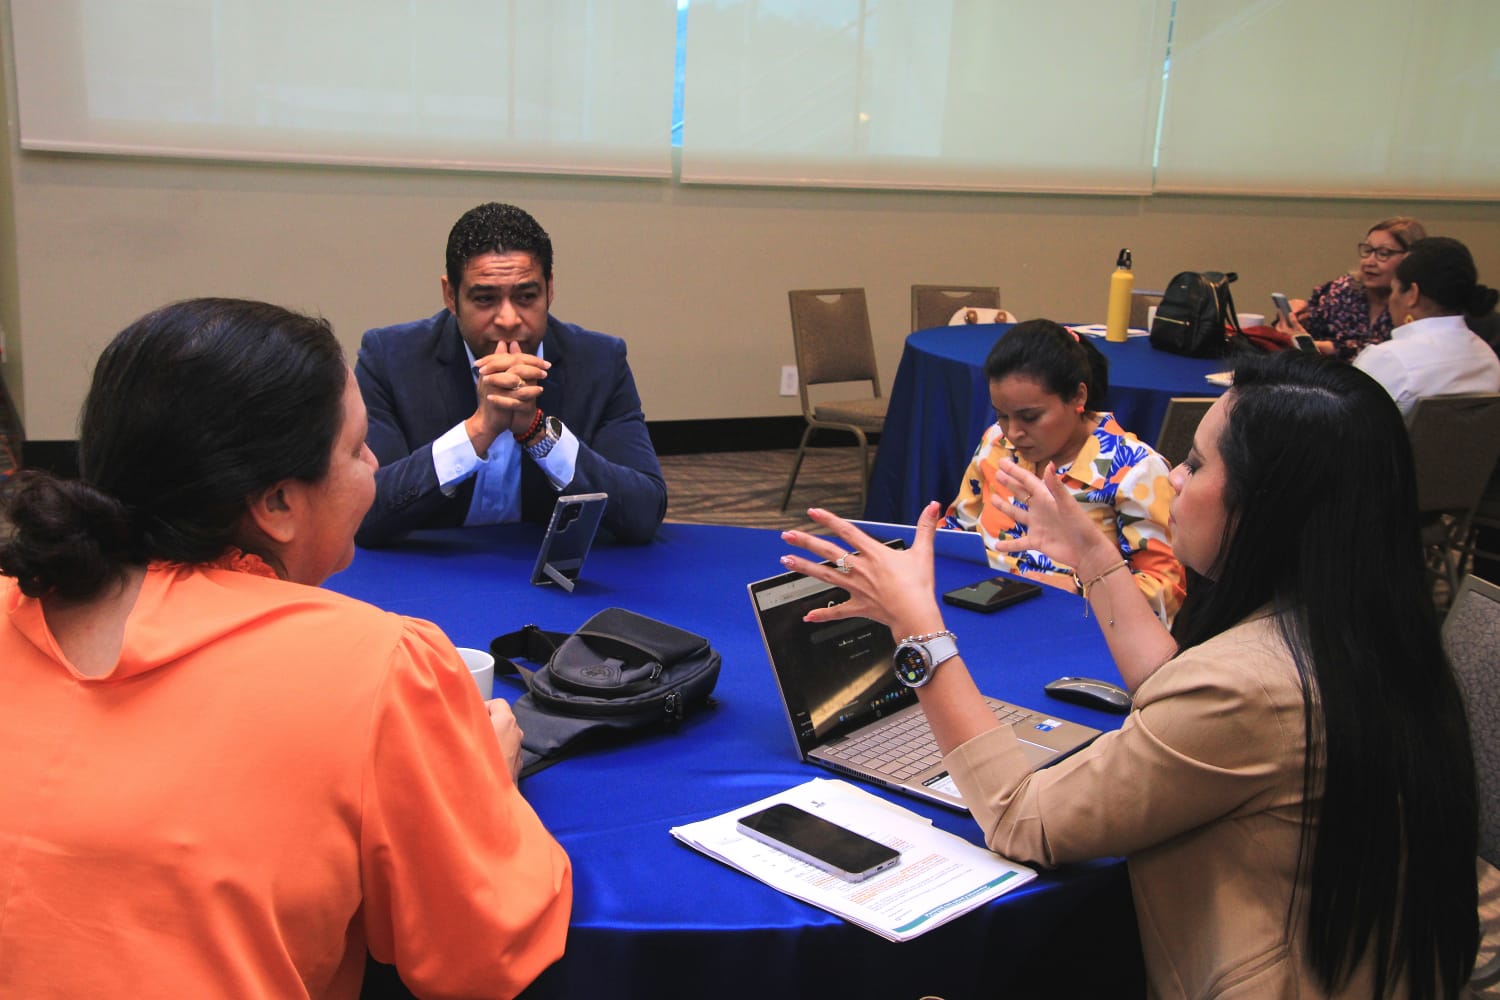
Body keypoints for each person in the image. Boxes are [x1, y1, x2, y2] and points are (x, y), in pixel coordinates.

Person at [780, 351, 1492, 998]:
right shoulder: (1358, 628)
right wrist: (1094, 558)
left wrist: (920, 633)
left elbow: (1022, 820)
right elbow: (1181, 689)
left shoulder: (1250, 688)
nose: (1174, 479)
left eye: (1198, 466)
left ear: (1267, 507)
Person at [0, 299, 572, 998]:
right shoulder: (374, 664)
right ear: (276, 504)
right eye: (357, 449)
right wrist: (489, 787)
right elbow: (481, 955)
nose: (375, 464)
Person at [355, 201, 666, 547]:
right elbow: (364, 513)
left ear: (550, 289)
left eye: (526, 296)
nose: (508, 319)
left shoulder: (600, 363)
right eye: (485, 299)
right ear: (451, 296)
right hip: (427, 571)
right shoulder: (390, 360)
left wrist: (538, 432)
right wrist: (478, 431)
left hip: (546, 574)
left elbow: (643, 512)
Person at [944, 319, 1184, 619]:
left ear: (1078, 397)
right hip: (983, 608)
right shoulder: (996, 442)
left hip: (1079, 623)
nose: (1013, 432)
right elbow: (958, 529)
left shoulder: (1134, 470)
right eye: (1002, 415)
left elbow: (1165, 591)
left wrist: (1080, 587)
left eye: (1030, 417)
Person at [1354, 236, 1500, 417]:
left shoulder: (1388, 359)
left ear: (1412, 294)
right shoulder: (1488, 358)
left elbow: (1345, 427)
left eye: (1393, 289)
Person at [1278, 216, 1427, 360]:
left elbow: (1399, 352)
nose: (1369, 262)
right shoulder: (1341, 290)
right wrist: (1296, 317)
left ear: (1409, 258)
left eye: (1383, 254)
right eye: (1367, 250)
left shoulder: (1416, 305)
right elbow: (1305, 330)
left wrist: (1328, 348)